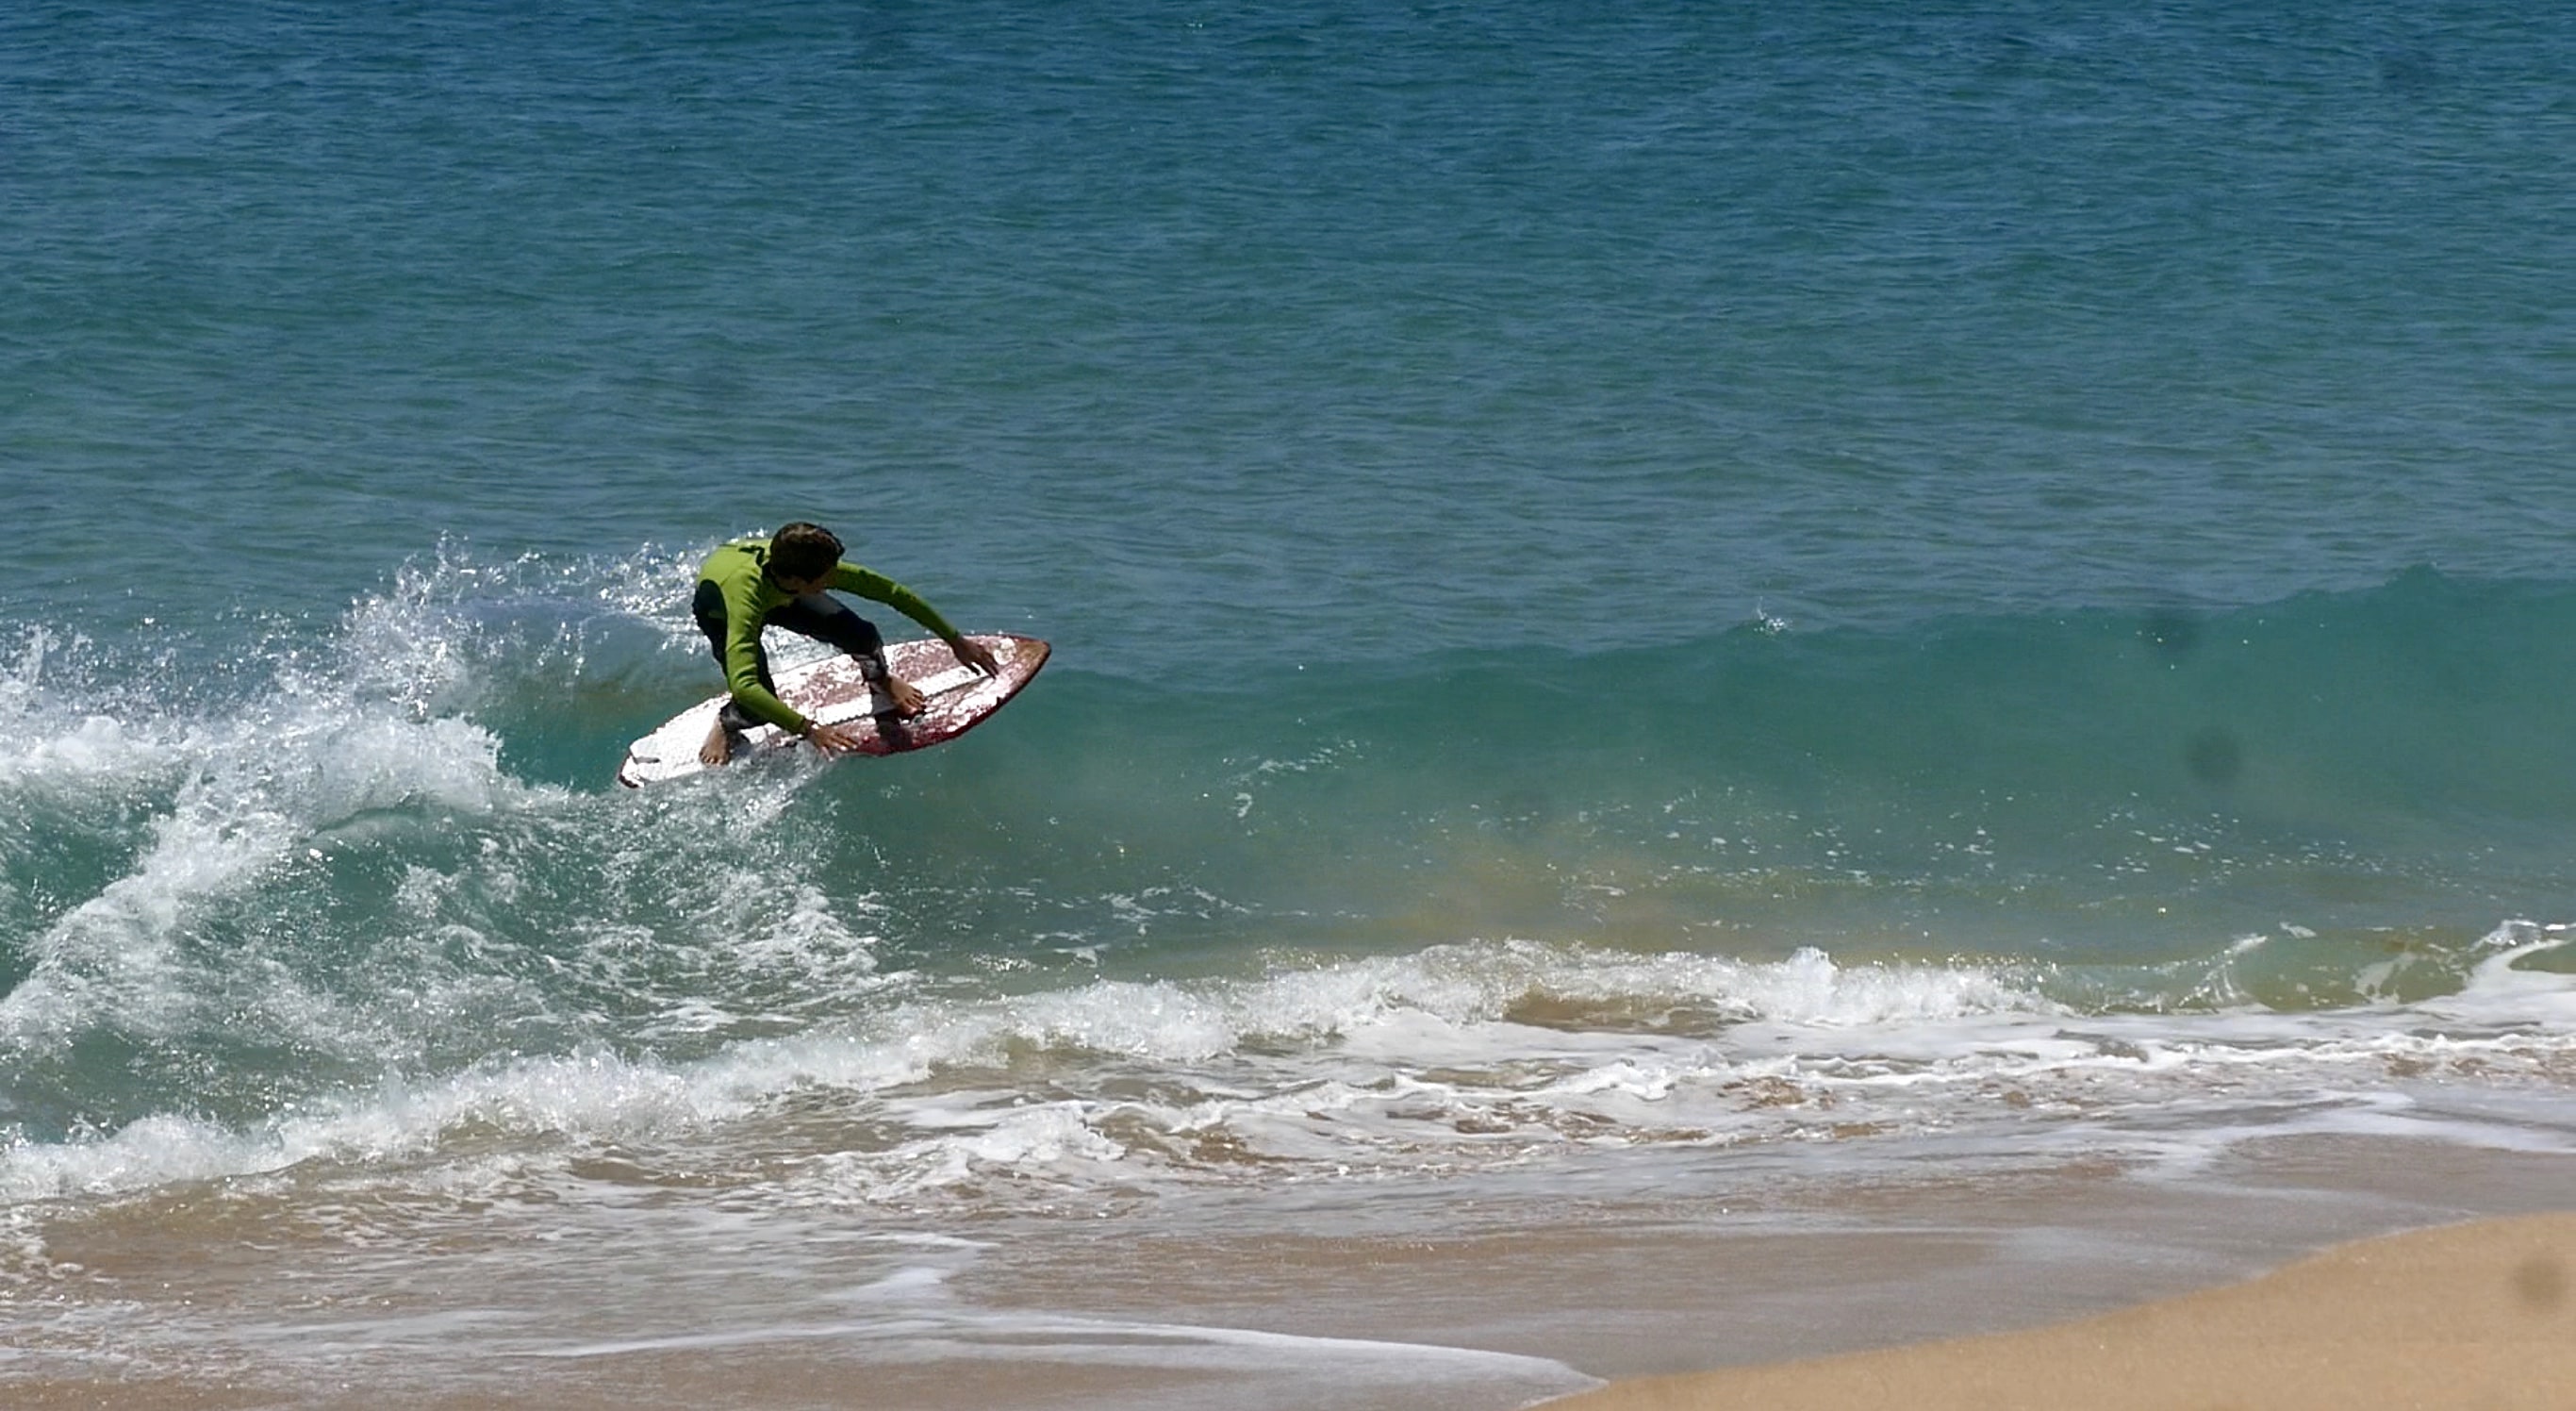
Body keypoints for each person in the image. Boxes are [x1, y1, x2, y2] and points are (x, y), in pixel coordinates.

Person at [692, 522, 999, 766]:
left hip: (779, 590)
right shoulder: (744, 602)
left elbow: (892, 592)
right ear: (801, 581)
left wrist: (955, 640)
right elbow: (745, 684)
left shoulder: (803, 570)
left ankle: (881, 679)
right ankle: (726, 723)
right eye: (827, 577)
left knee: (861, 636)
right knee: (757, 706)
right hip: (720, 611)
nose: (835, 579)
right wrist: (808, 729)